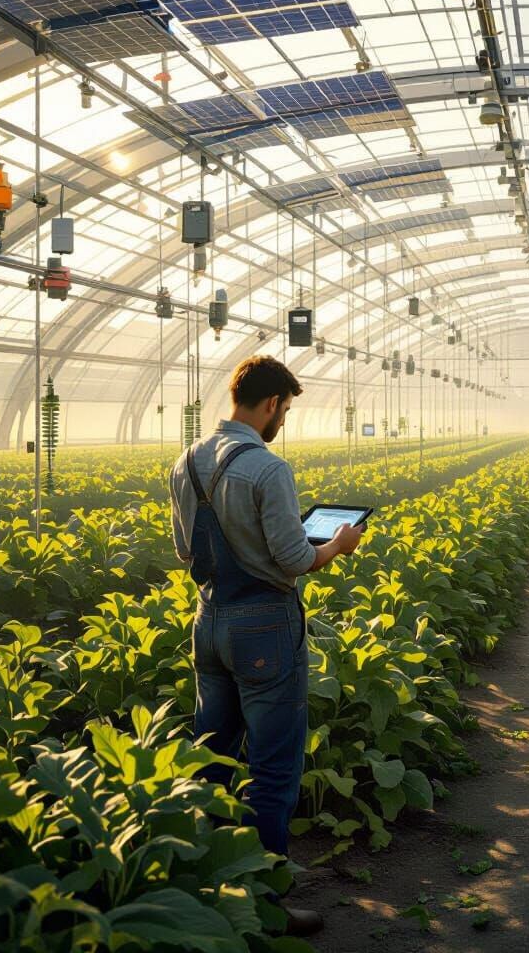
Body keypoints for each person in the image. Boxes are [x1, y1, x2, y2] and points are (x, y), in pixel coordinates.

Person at [170, 355, 364, 938]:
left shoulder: (186, 461)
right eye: (286, 409)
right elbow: (297, 559)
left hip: (209, 619)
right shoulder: (266, 467)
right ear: (273, 403)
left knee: (212, 757)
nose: (284, 419)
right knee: (273, 769)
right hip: (264, 628)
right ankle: (266, 906)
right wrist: (340, 543)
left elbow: (185, 552)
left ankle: (204, 888)